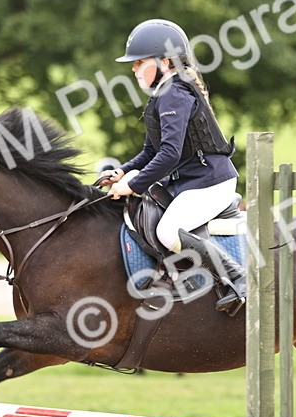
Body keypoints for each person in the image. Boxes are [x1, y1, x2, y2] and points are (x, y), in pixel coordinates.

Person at [101, 19, 246, 316]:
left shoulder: (174, 94)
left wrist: (133, 184)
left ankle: (238, 278)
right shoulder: (162, 94)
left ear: (164, 62)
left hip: (211, 183)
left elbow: (168, 155)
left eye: (139, 62)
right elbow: (150, 151)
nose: (133, 69)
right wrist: (123, 171)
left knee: (169, 231)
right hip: (192, 182)